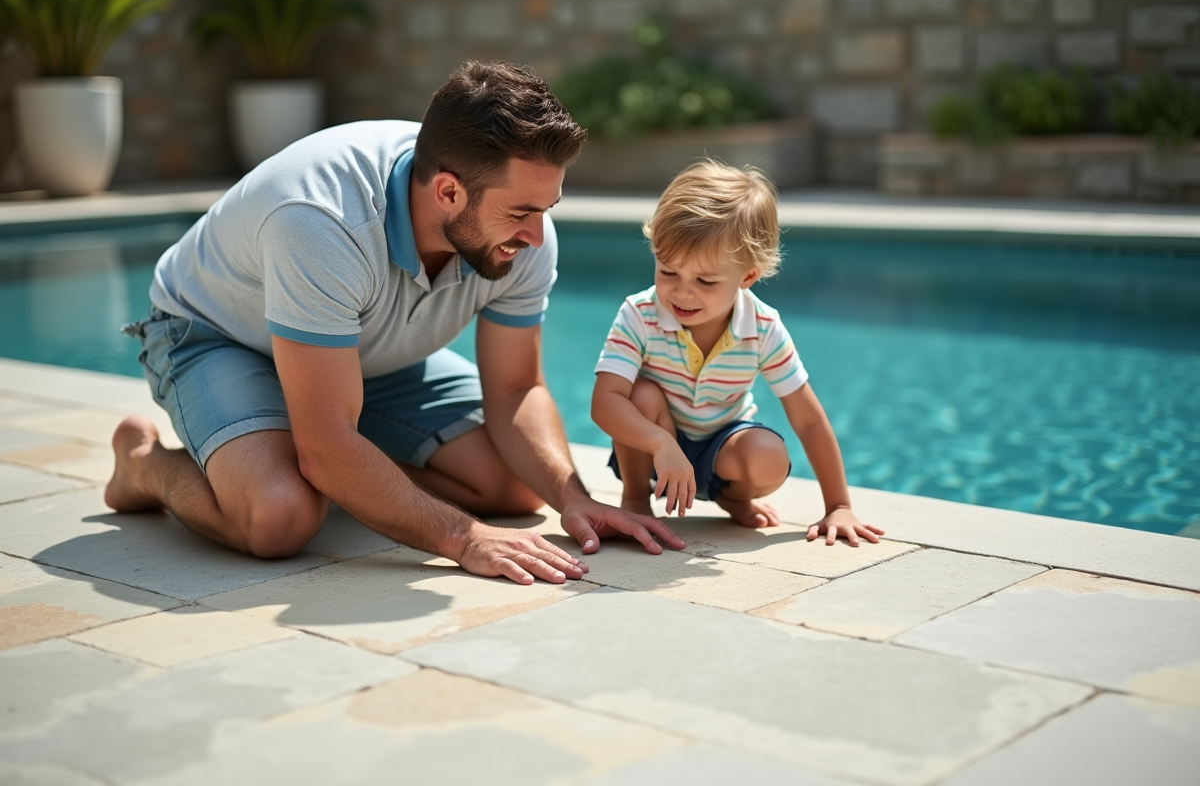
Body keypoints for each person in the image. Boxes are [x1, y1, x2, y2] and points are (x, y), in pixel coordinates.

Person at [105, 60, 686, 585]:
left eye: (546, 210)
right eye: (520, 213)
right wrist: (462, 536)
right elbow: (328, 445)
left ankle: (345, 470)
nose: (536, 236)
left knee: (511, 487)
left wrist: (571, 499)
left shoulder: (522, 235)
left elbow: (515, 388)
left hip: (361, 351)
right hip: (218, 336)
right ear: (449, 191)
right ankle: (142, 464)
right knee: (280, 517)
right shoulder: (321, 220)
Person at [591, 160, 884, 545]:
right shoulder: (639, 314)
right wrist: (660, 443)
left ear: (747, 276)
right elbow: (604, 403)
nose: (681, 291)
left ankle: (732, 497)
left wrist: (839, 506)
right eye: (667, 272)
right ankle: (635, 499)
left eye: (705, 280)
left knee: (768, 454)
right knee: (640, 394)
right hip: (652, 448)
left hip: (721, 445)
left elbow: (809, 420)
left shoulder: (762, 326)